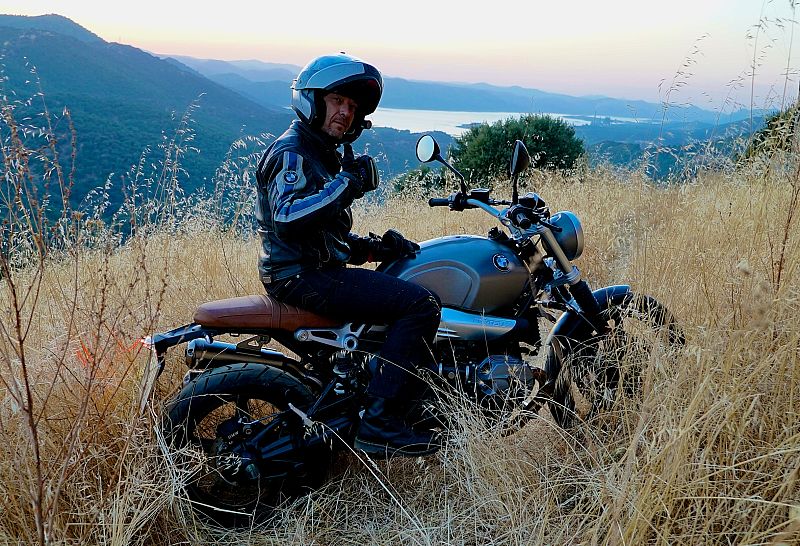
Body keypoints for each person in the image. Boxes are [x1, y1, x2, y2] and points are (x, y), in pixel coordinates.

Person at [255, 53, 442, 457]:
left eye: (353, 107)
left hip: (310, 270)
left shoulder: (319, 153)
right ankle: (379, 423)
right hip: (303, 277)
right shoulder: (293, 152)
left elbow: (324, 236)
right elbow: (288, 218)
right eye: (338, 100)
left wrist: (379, 248)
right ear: (313, 99)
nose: (345, 112)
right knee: (421, 304)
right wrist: (347, 184)